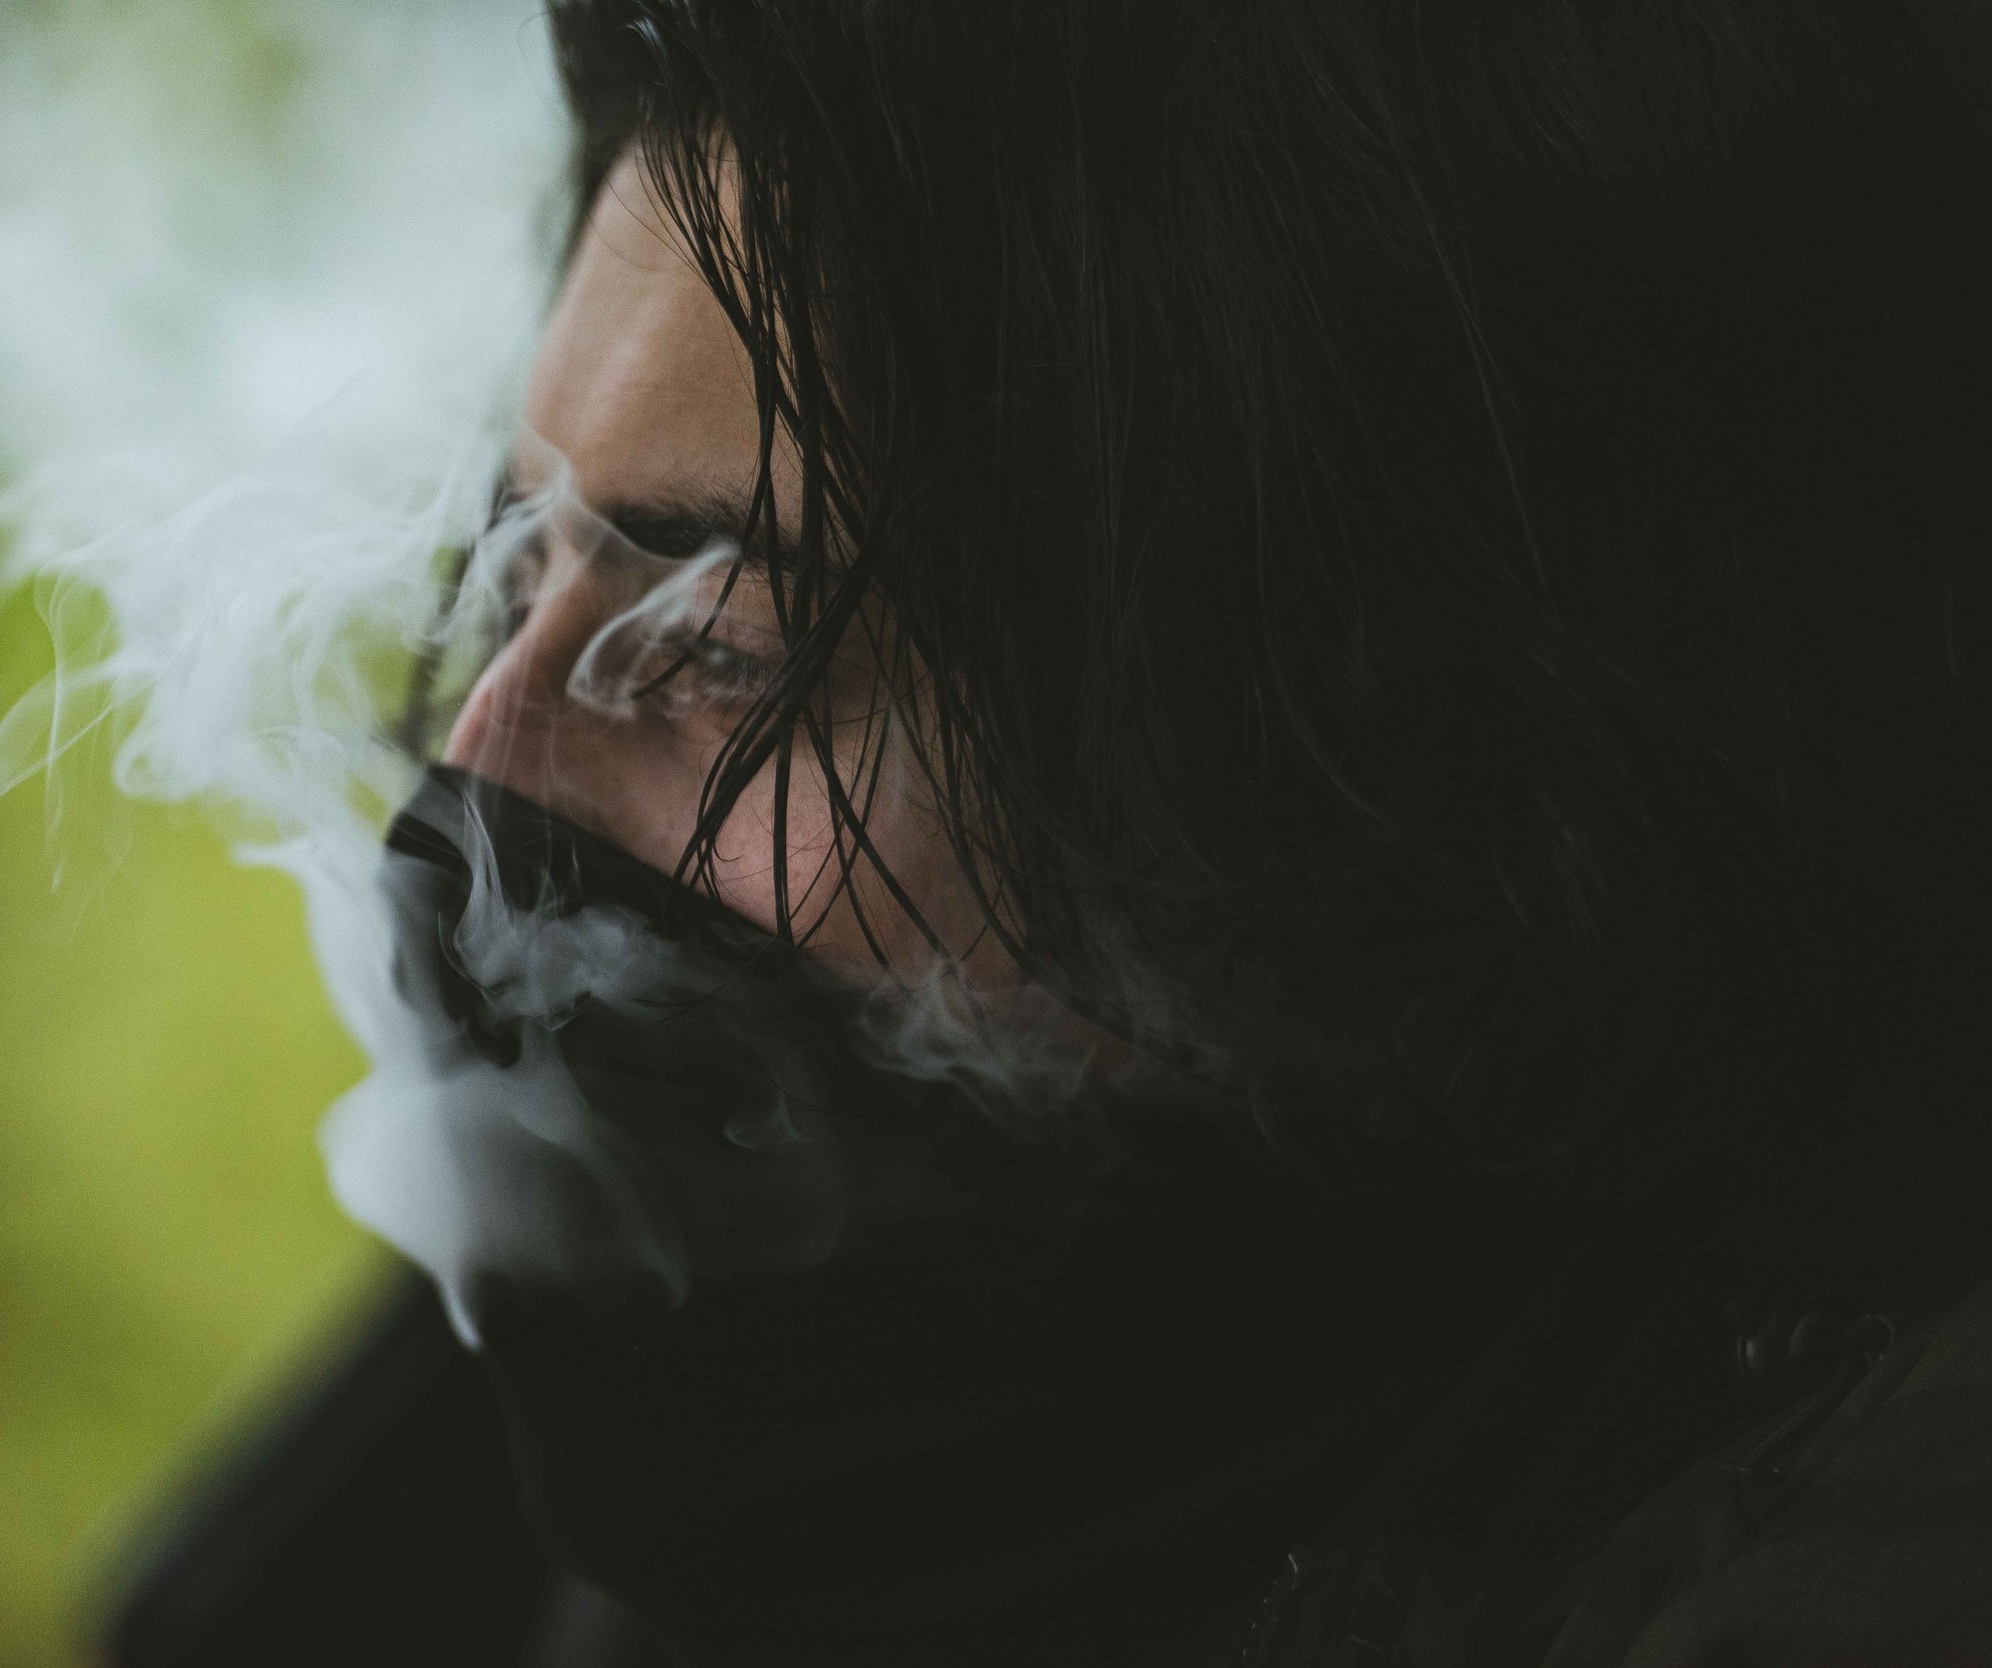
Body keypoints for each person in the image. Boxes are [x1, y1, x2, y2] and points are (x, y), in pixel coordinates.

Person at [107, 2, 1992, 1664]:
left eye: (720, 650)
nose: (486, 782)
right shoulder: (472, 1519)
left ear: (1343, 790)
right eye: (523, 569)